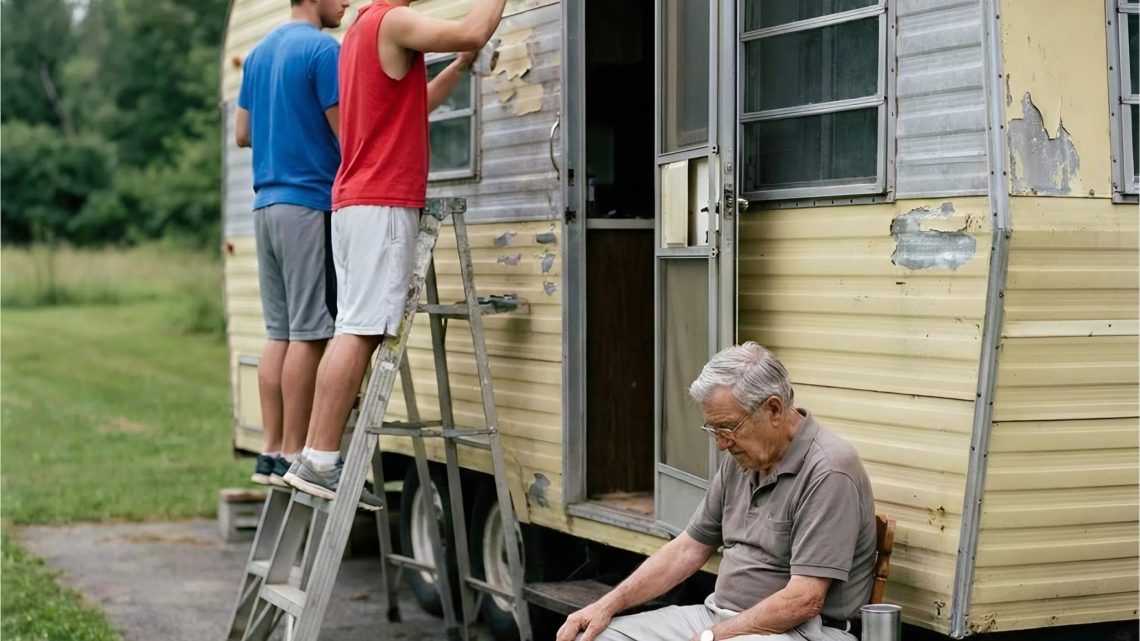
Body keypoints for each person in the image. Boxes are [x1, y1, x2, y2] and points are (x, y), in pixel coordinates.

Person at [283, 0, 508, 506]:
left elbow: (412, 109)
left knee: (351, 327)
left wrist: (458, 68)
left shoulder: (360, 32)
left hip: (354, 202)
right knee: (361, 331)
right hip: (381, 202)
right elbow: (473, 30)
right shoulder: (393, 20)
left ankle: (314, 457)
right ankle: (320, 460)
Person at [557, 343, 877, 641]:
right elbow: (687, 550)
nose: (721, 444)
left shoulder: (829, 469)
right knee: (602, 637)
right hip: (719, 616)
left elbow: (804, 600)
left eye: (727, 428)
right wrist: (607, 604)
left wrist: (713, 637)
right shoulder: (743, 458)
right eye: (713, 429)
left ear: (774, 410)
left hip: (801, 632)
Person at [235, 0, 350, 487]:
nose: (346, 2)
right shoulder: (323, 50)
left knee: (279, 332)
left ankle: (270, 451)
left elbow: (242, 134)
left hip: (265, 206)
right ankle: (297, 453)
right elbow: (348, 134)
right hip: (308, 203)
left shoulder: (259, 54)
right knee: (309, 333)